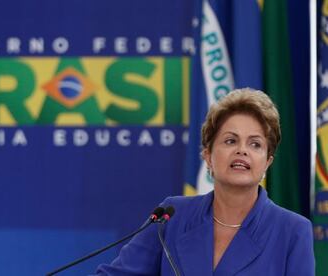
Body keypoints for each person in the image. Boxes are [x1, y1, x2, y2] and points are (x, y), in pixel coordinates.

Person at [95, 88, 315, 275]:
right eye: (230, 140)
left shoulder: (292, 231)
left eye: (255, 144)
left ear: (267, 162)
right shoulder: (171, 218)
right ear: (208, 156)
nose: (242, 150)